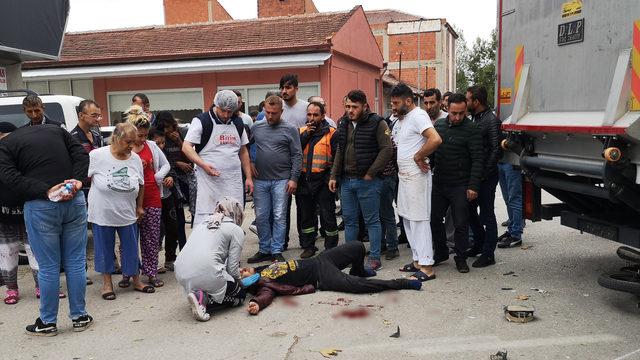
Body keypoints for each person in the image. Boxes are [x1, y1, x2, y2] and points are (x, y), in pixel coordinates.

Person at [0, 123, 92, 335]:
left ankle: (48, 322)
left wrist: (45, 190)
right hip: (74, 200)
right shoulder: (56, 130)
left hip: (40, 205)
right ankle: (80, 316)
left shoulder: (6, 146)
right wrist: (76, 181)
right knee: (76, 261)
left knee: (49, 266)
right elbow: (82, 154)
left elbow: (10, 178)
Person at [241, 242, 422, 315]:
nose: (242, 270)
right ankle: (403, 283)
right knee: (361, 286)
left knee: (357, 247)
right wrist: (256, 304)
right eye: (242, 274)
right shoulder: (263, 285)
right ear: (248, 282)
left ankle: (358, 270)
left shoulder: (261, 269)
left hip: (321, 260)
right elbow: (265, 296)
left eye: (241, 269)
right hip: (322, 277)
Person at [88, 123, 155, 300]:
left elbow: (140, 184)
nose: (131, 146)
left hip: (127, 212)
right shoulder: (97, 155)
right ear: (116, 138)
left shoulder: (134, 159)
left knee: (131, 248)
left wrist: (139, 206)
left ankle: (137, 280)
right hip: (103, 212)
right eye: (128, 142)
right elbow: (85, 178)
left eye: (134, 142)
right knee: (104, 249)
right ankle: (107, 284)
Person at [328, 90, 393, 271]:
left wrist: (371, 172)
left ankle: (374, 257)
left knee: (372, 220)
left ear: (364, 106)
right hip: (347, 181)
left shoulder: (378, 123)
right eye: (348, 106)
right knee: (350, 221)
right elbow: (340, 150)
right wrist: (334, 175)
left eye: (354, 107)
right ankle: (351, 256)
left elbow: (387, 150)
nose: (350, 110)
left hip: (368, 181)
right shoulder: (344, 123)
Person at [0, 122, 62, 305]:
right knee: (7, 252)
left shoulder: (24, 155)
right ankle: (11, 289)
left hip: (29, 211)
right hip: (4, 215)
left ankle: (42, 286)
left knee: (36, 251)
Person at [390, 84, 442, 281]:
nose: (393, 107)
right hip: (404, 176)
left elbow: (435, 139)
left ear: (408, 101)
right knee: (408, 218)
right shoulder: (402, 119)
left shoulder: (418, 115)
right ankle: (418, 260)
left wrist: (419, 156)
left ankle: (427, 266)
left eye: (396, 103)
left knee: (419, 220)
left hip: (416, 176)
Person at [182, 90, 253, 226]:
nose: (226, 115)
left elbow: (243, 151)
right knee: (207, 219)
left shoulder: (238, 123)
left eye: (230, 111)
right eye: (223, 111)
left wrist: (248, 177)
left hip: (233, 181)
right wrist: (203, 165)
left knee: (233, 217)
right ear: (215, 105)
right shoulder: (202, 121)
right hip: (208, 183)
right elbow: (186, 147)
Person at [430, 94, 483, 273]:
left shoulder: (472, 129)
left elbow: (478, 159)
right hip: (439, 182)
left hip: (461, 185)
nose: (458, 117)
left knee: (461, 223)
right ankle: (441, 252)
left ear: (466, 110)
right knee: (434, 219)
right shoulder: (438, 126)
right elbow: (432, 151)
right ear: (447, 109)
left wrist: (473, 186)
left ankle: (461, 258)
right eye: (454, 113)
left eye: (461, 113)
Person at [248, 95, 302, 264]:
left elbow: (297, 154)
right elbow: (245, 147)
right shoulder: (256, 127)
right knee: (262, 215)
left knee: (279, 215)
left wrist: (294, 178)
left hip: (282, 180)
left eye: (274, 113)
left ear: (281, 111)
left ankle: (276, 250)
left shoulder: (290, 129)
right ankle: (264, 249)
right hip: (260, 179)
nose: (270, 116)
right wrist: (249, 162)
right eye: (268, 112)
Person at [174, 197, 246, 322]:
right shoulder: (236, 230)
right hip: (207, 273)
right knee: (240, 297)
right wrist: (240, 284)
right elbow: (232, 269)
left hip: (181, 273)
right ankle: (205, 299)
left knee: (215, 279)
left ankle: (198, 294)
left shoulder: (203, 223)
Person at [126, 106, 171, 288]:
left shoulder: (151, 146)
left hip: (152, 195)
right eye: (140, 136)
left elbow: (166, 164)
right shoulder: (124, 149)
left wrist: (158, 176)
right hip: (129, 198)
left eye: (145, 135)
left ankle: (151, 272)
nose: (143, 139)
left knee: (151, 237)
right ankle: (129, 273)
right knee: (128, 238)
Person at [464, 86, 502, 268]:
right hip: (474, 177)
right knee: (470, 212)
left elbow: (495, 150)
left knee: (487, 214)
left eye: (468, 100)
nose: (466, 102)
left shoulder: (491, 121)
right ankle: (478, 244)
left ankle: (488, 253)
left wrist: (482, 175)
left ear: (476, 102)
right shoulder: (475, 118)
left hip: (486, 178)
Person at [296, 101, 339, 258]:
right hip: (304, 180)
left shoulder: (332, 133)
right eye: (309, 114)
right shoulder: (301, 131)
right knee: (306, 217)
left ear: (323, 115)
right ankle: (309, 246)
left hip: (323, 180)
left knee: (328, 216)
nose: (312, 118)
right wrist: (306, 134)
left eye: (315, 115)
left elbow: (336, 158)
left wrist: (331, 178)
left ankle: (331, 248)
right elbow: (295, 151)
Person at [70, 99, 105, 285]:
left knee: (101, 228)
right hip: (81, 190)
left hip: (99, 189)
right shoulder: (71, 137)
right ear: (81, 115)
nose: (98, 119)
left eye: (99, 115)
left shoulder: (97, 135)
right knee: (79, 234)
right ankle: (79, 271)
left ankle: (108, 265)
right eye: (94, 115)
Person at [280, 74, 309, 250]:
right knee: (282, 208)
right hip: (282, 165)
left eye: (288, 87)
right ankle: (281, 242)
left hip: (303, 164)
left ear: (296, 88)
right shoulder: (277, 108)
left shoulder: (306, 108)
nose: (284, 91)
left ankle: (305, 243)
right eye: (282, 87)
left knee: (303, 208)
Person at [154, 111, 195, 236]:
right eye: (164, 128)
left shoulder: (183, 132)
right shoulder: (159, 137)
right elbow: (160, 158)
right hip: (171, 177)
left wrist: (179, 142)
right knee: (178, 218)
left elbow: (192, 156)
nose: (167, 131)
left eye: (168, 127)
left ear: (173, 124)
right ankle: (181, 247)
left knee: (195, 210)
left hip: (187, 175)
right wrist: (177, 163)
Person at [149, 128, 182, 273]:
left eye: (163, 143)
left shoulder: (166, 154)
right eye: (158, 143)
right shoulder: (146, 154)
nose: (161, 146)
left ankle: (170, 258)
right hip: (152, 197)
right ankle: (152, 262)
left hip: (168, 197)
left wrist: (170, 178)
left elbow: (172, 170)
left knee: (172, 227)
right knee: (155, 231)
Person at [497, 157, 524, 248]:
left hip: (512, 161)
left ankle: (516, 235)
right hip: (500, 160)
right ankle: (511, 230)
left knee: (514, 199)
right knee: (508, 200)